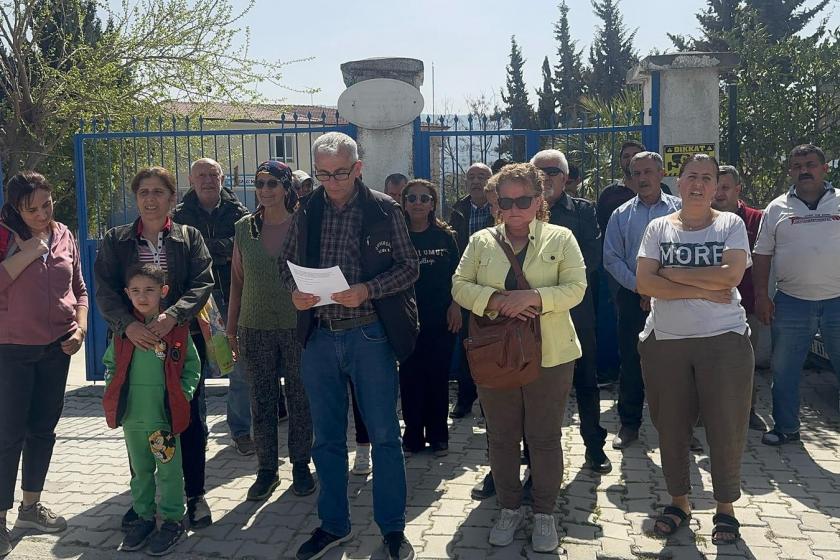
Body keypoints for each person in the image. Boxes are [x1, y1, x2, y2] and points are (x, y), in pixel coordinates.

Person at [279, 132, 419, 560]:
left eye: (339, 173)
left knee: (384, 436)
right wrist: (295, 292)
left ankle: (392, 530)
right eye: (323, 174)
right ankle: (334, 525)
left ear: (357, 168)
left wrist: (368, 289)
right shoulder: (308, 208)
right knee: (326, 440)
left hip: (369, 335)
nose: (331, 182)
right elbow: (287, 265)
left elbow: (409, 267)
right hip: (319, 336)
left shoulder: (384, 208)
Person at [452, 162, 586, 553]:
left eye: (523, 200)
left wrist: (535, 299)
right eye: (505, 201)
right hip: (497, 354)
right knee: (503, 437)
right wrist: (494, 301)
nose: (514, 209)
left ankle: (544, 512)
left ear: (539, 199)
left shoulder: (560, 238)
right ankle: (509, 506)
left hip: (552, 353)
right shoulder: (480, 241)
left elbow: (577, 287)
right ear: (495, 203)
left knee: (544, 437)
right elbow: (460, 285)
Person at [636, 153, 753, 546]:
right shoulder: (657, 228)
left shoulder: (730, 224)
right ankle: (679, 502)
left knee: (725, 426)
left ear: (717, 184)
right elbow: (645, 284)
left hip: (724, 341)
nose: (699, 184)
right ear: (679, 181)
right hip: (667, 342)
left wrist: (671, 274)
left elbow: (733, 275)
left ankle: (725, 507)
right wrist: (705, 283)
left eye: (708, 177)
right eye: (692, 176)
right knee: (671, 426)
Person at [94, 166, 214, 529]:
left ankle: (194, 495)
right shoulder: (117, 240)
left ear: (172, 198)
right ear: (136, 198)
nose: (150, 198)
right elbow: (104, 290)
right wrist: (128, 325)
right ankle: (143, 499)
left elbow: (202, 282)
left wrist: (172, 317)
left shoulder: (188, 237)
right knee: (140, 417)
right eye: (143, 191)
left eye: (158, 191)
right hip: (133, 341)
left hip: (180, 341)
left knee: (187, 418)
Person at [0, 172, 88, 557]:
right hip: (12, 350)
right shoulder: (4, 235)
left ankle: (30, 508)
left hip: (58, 349)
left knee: (43, 430)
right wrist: (27, 253)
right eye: (30, 208)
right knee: (8, 436)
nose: (41, 213)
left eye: (46, 204)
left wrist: (81, 329)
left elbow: (79, 289)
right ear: (16, 207)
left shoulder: (65, 234)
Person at [226, 160, 315, 500]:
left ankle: (301, 466)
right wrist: (231, 330)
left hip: (296, 325)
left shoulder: (303, 224)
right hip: (254, 326)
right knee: (261, 401)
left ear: (287, 187)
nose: (264, 190)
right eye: (260, 183)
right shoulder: (244, 227)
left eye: (272, 184)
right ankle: (266, 470)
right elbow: (236, 281)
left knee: (300, 399)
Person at [103, 263, 201, 556]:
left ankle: (172, 520)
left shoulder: (175, 330)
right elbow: (110, 365)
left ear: (163, 292)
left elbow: (192, 367)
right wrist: (113, 390)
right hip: (133, 419)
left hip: (163, 420)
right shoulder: (123, 331)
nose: (142, 296)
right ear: (126, 294)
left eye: (149, 290)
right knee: (141, 471)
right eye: (135, 291)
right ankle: (144, 517)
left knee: (169, 471)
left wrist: (181, 396)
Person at [753, 144, 840, 446]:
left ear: (824, 167)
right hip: (791, 302)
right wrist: (763, 297)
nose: (804, 170)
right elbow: (762, 254)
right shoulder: (776, 208)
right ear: (790, 170)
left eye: (811, 164)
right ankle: (786, 428)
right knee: (785, 371)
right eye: (797, 165)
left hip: (837, 301)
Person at [533, 149, 610, 474]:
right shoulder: (521, 211)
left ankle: (594, 448)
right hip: (530, 315)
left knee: (586, 383)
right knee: (528, 386)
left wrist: (548, 287)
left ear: (566, 178)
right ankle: (525, 454)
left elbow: (590, 259)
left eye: (552, 172)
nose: (545, 178)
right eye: (539, 172)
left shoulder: (583, 211)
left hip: (575, 314)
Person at [173, 158, 253, 456]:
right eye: (201, 175)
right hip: (196, 300)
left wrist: (205, 247)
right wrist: (220, 248)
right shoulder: (180, 214)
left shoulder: (239, 211)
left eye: (213, 175)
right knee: (195, 369)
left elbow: (241, 247)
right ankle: (198, 432)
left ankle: (241, 430)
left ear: (222, 179)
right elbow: (181, 251)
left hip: (234, 296)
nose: (207, 180)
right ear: (192, 181)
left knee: (239, 367)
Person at [603, 152, 682, 450]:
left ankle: (679, 430)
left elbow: (688, 255)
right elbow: (612, 258)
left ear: (661, 174)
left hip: (676, 298)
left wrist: (661, 289)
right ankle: (629, 425)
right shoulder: (621, 215)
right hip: (634, 298)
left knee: (676, 365)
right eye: (636, 173)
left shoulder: (682, 210)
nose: (643, 178)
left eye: (648, 171)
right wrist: (641, 287)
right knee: (632, 362)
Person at [399, 179, 461, 457]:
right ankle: (412, 436)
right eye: (412, 198)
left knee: (437, 377)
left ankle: (438, 436)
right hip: (407, 320)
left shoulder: (445, 236)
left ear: (433, 203)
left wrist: (456, 306)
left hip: (441, 318)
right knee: (410, 378)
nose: (418, 203)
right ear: (404, 203)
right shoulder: (397, 235)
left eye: (424, 198)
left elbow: (459, 276)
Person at [711, 165, 766, 431]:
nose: (719, 193)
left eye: (725, 187)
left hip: (746, 305)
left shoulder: (756, 219)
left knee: (746, 362)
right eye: (716, 187)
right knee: (709, 363)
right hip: (709, 305)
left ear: (737, 190)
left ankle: (748, 410)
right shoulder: (699, 220)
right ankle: (706, 413)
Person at [447, 162, 494, 419]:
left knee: (493, 345)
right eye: (472, 177)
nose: (476, 182)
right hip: (466, 288)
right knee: (467, 344)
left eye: (482, 177)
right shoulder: (458, 210)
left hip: (494, 288)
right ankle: (465, 398)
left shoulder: (500, 208)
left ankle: (491, 400)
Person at [596, 141, 673, 236]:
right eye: (626, 156)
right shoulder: (609, 194)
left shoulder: (663, 190)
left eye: (635, 155)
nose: (631, 159)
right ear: (620, 161)